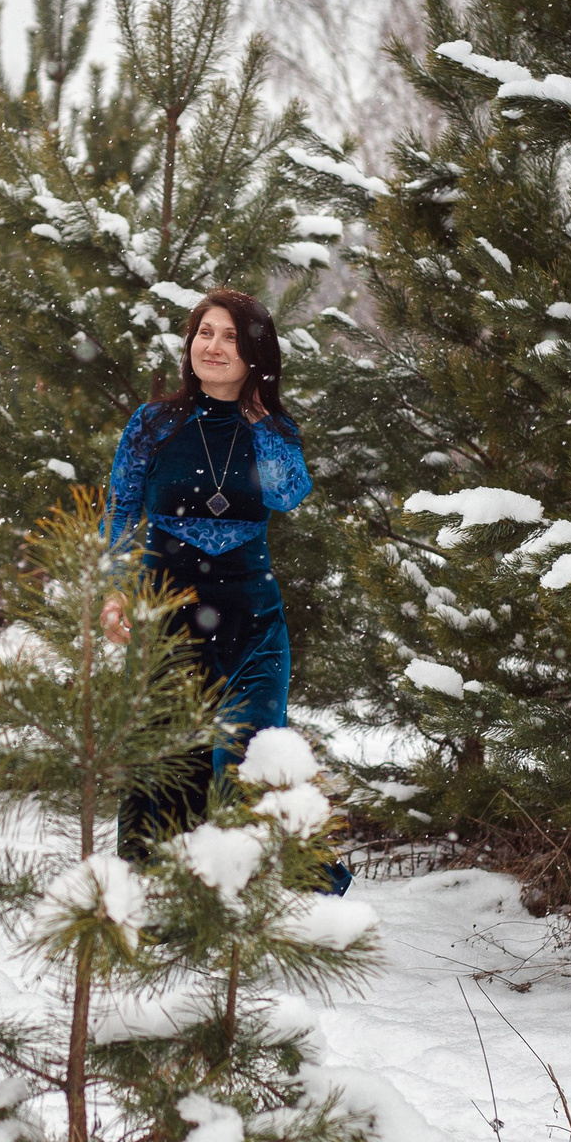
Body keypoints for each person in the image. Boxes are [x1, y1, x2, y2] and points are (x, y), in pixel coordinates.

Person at [102, 288, 346, 890]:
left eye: (231, 336)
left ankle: (249, 892)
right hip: (165, 616)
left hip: (251, 622)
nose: (213, 346)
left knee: (248, 756)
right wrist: (113, 592)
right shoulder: (153, 424)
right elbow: (119, 513)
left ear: (255, 353)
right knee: (168, 761)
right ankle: (165, 892)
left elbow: (289, 494)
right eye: (204, 332)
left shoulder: (275, 431)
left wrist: (260, 417)